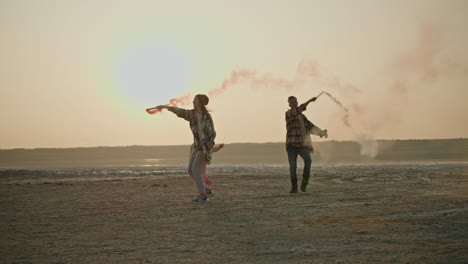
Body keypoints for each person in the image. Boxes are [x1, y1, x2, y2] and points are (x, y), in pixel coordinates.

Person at [152, 94, 216, 203]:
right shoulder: (191, 114)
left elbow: (212, 132)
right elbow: (180, 112)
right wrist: (165, 107)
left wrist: (210, 142)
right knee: (191, 170)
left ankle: (203, 196)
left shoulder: (207, 116)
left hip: (204, 147)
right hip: (197, 146)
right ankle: (206, 189)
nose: (193, 101)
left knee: (196, 170)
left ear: (200, 102)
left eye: (195, 99)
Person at [285, 96, 328, 193]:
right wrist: (310, 101)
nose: (294, 103)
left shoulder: (302, 117)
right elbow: (300, 109)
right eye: (292, 102)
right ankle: (294, 186)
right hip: (291, 145)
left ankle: (304, 182)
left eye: (295, 101)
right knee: (293, 166)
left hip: (302, 144)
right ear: (289, 104)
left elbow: (311, 127)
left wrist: (321, 132)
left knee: (308, 161)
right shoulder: (288, 114)